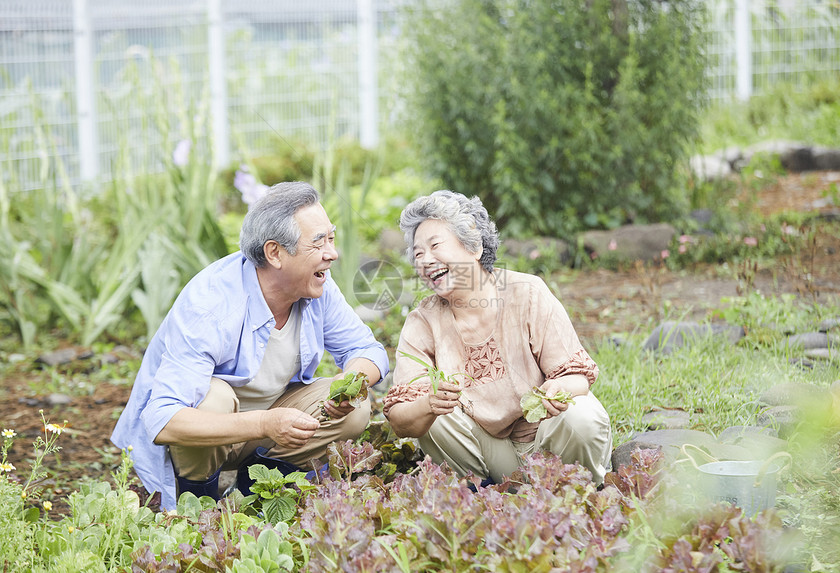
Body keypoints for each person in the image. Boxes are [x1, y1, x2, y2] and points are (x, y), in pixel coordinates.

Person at [112, 181, 389, 510]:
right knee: (210, 398)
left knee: (357, 406)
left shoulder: (318, 288)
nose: (333, 253)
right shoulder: (212, 303)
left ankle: (254, 491)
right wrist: (264, 423)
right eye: (318, 243)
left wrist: (348, 386)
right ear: (275, 253)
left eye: (331, 238)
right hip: (207, 436)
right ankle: (197, 505)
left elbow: (369, 351)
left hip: (269, 426)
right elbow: (164, 418)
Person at [383, 190, 612, 486]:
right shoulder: (422, 321)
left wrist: (559, 387)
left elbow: (578, 376)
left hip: (549, 440)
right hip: (491, 454)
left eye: (435, 245)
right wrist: (429, 403)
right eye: (418, 254)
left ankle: (579, 489)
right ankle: (483, 497)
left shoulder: (527, 292)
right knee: (434, 418)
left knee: (581, 414)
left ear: (474, 245)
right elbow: (400, 420)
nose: (426, 260)